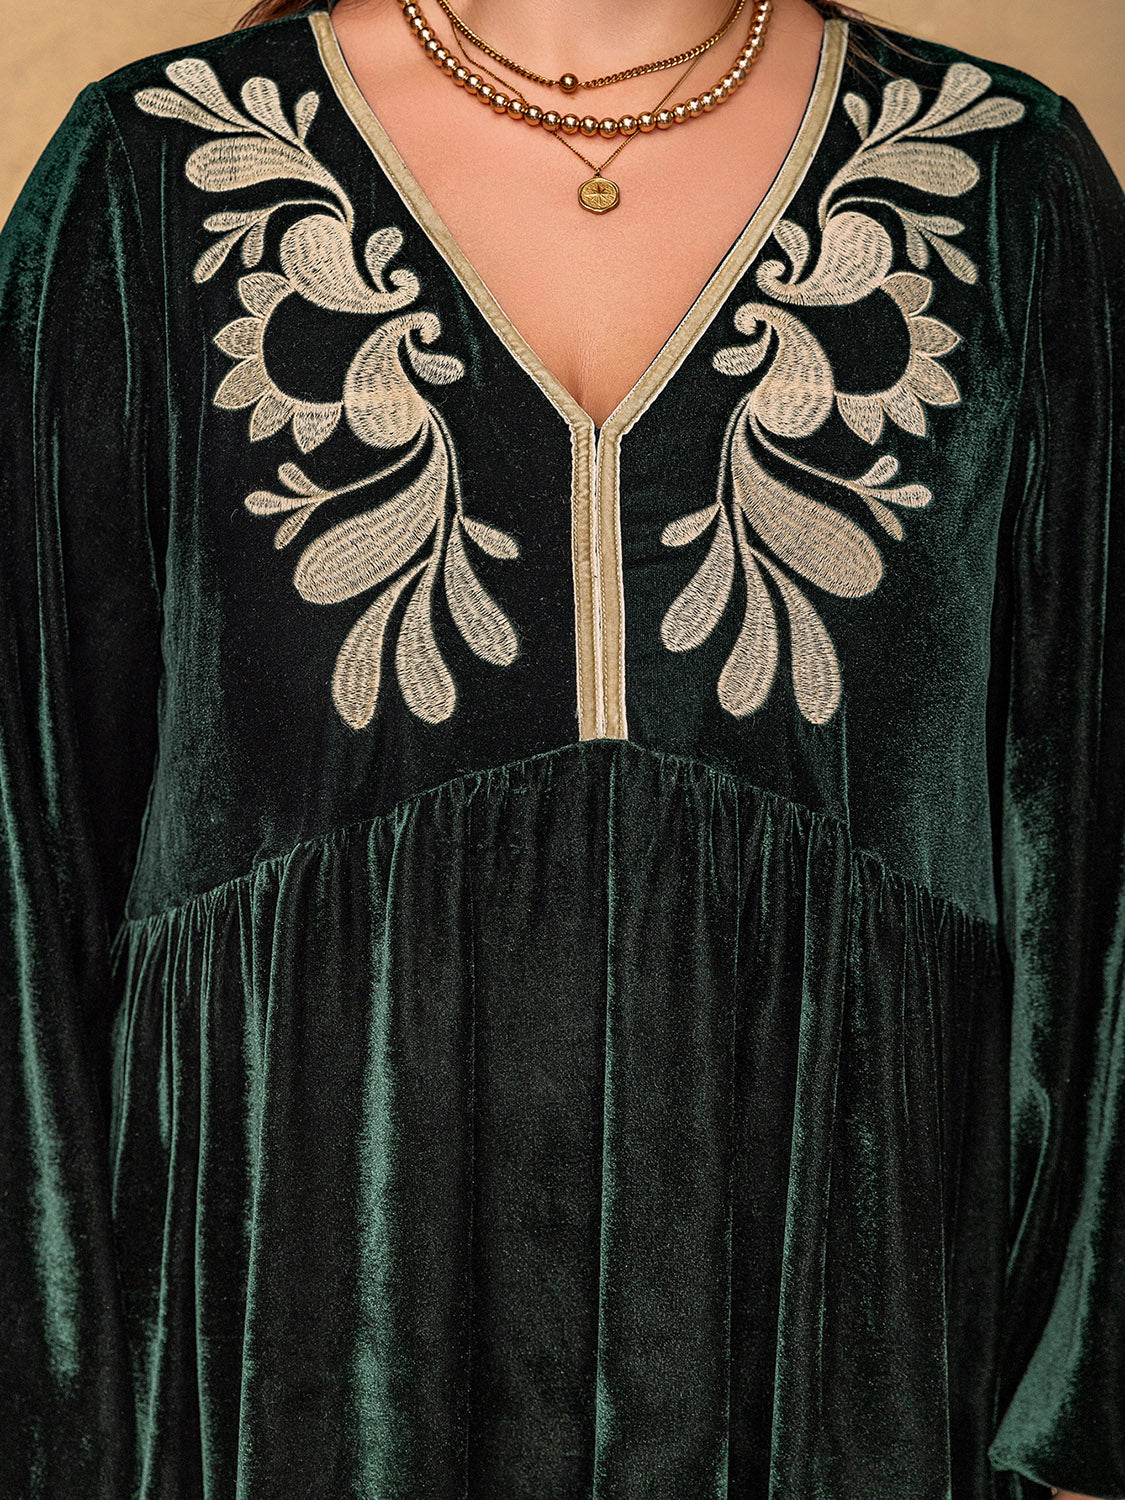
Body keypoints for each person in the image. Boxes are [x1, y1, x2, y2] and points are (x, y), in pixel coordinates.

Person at [0, 0, 1121, 1494]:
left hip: (843, 1346)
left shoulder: (1005, 180)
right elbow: (21, 836)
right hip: (282, 1348)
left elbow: (1101, 846)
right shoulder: (153, 173)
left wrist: (1080, 1416)